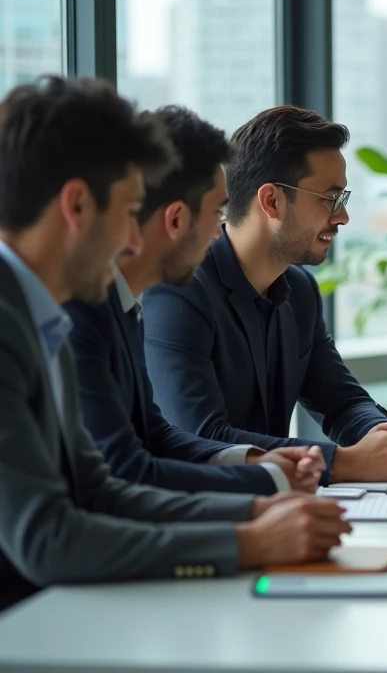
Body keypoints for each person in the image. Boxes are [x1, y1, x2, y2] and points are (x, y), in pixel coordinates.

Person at [0, 77, 350, 610]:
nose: (133, 240)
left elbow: (99, 488)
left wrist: (258, 509)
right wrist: (250, 540)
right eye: (126, 212)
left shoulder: (38, 315)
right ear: (76, 206)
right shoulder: (26, 322)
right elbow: (49, 537)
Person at [142, 105, 387, 483]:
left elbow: (342, 402)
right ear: (272, 201)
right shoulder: (179, 288)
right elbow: (202, 437)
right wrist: (345, 462)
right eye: (330, 199)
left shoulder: (299, 290)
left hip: (278, 507)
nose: (342, 216)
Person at [66, 105, 324, 496]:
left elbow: (156, 435)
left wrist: (259, 462)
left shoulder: (121, 309)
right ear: (175, 220)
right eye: (218, 210)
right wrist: (256, 517)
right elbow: (126, 469)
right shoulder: (83, 317)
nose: (223, 227)